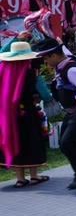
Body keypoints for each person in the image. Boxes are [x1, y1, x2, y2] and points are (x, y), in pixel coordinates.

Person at [36, 38, 76, 189]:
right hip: (72, 112)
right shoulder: (64, 62)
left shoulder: (71, 70)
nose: (45, 62)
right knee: (65, 144)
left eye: (46, 58)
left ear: (54, 56)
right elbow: (64, 50)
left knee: (67, 143)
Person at [0, 41, 50, 188]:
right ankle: (34, 176)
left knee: (15, 140)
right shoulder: (33, 74)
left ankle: (20, 179)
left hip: (8, 114)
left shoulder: (2, 72)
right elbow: (46, 95)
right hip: (28, 112)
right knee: (31, 141)